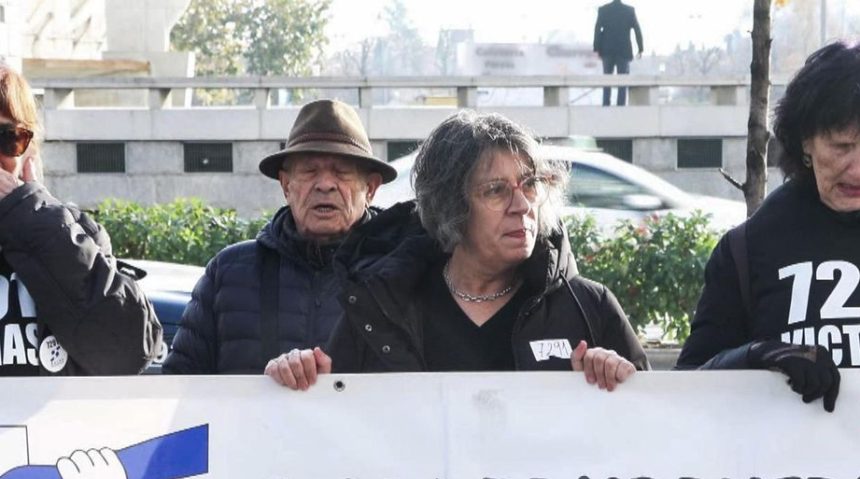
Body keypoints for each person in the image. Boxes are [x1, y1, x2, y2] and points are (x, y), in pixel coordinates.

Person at [265, 110, 649, 390]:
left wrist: (621, 383)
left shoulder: (589, 307)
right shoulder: (382, 306)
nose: (522, 206)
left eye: (529, 185)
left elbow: (655, 435)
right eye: (496, 190)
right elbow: (330, 432)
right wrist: (297, 381)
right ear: (450, 207)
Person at [675, 41, 860, 412]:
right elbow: (689, 386)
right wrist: (755, 356)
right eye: (841, 147)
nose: (856, 170)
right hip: (788, 468)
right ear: (805, 142)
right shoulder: (747, 248)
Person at [162, 99, 396, 374]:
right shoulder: (228, 272)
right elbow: (180, 387)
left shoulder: (403, 273)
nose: (324, 185)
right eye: (310, 171)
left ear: (370, 188)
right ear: (286, 185)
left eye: (341, 172)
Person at [0, 64, 161, 376]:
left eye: (8, 139)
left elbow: (129, 353)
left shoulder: (74, 232)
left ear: (30, 151)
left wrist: (31, 214)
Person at [593, 0, 644, 107]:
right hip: (623, 50)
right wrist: (640, 49)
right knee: (623, 80)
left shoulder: (603, 10)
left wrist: (596, 48)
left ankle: (606, 104)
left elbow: (597, 29)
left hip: (607, 50)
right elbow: (637, 30)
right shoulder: (629, 11)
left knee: (607, 79)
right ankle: (621, 105)